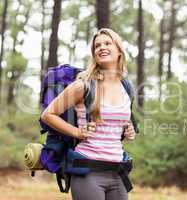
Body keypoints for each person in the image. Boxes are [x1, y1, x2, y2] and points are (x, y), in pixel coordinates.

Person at [41, 28, 136, 200]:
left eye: (107, 43)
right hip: (88, 170)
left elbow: (115, 125)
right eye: (97, 46)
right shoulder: (83, 85)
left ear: (119, 51)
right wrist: (77, 132)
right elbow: (48, 115)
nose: (102, 47)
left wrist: (127, 131)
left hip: (117, 170)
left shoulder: (126, 87)